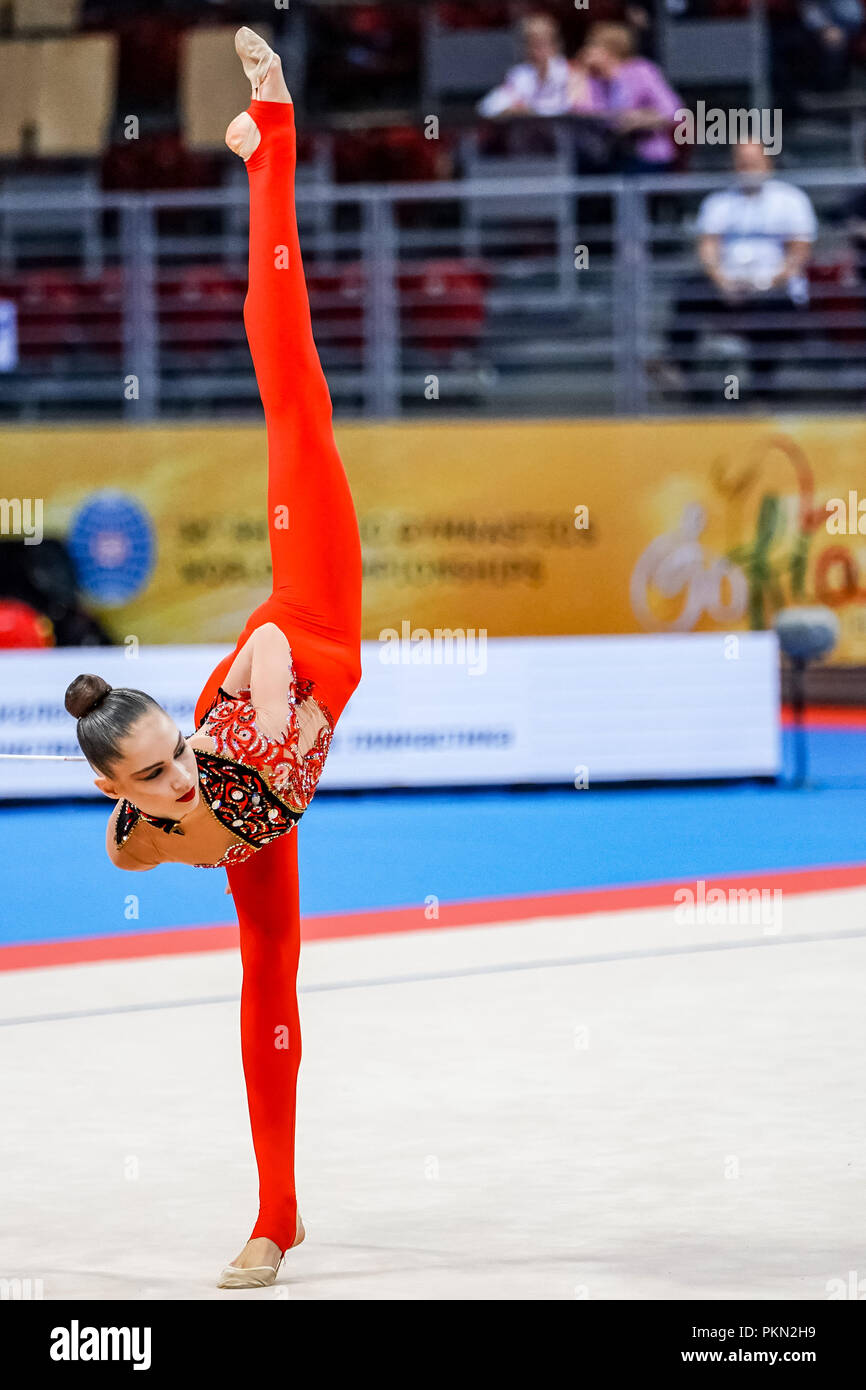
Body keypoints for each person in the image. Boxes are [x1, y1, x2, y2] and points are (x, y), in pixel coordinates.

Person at [63, 28, 363, 1289]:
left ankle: (272, 136)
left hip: (311, 616)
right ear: (117, 789)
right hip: (272, 778)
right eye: (155, 777)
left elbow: (229, 769)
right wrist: (197, 810)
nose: (176, 776)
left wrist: (254, 679)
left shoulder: (225, 724)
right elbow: (191, 827)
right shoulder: (147, 821)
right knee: (266, 976)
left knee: (286, 379)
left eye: (170, 756)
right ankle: (275, 1213)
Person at [667, 141, 818, 398]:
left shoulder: (791, 199)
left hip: (774, 286)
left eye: (753, 163)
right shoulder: (719, 202)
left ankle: (761, 389)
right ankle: (682, 375)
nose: (747, 170)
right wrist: (722, 282)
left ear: (767, 164)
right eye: (742, 164)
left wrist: (766, 283)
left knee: (772, 310)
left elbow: (799, 253)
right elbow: (708, 248)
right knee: (689, 291)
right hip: (728, 286)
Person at [577, 21, 681, 172]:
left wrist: (638, 119)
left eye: (592, 46)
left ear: (610, 50)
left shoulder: (641, 71)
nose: (586, 51)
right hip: (609, 154)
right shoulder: (595, 79)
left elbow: (673, 110)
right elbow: (584, 111)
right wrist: (581, 74)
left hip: (646, 155)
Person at [477, 13, 581, 118]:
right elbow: (488, 107)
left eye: (541, 43)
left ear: (555, 45)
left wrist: (530, 110)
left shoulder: (570, 71)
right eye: (530, 44)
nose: (535, 51)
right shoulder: (520, 74)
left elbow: (576, 109)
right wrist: (511, 109)